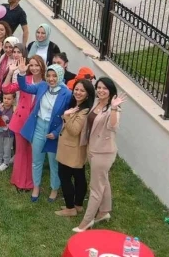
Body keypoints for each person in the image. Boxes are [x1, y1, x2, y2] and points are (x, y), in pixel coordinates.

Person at [73, 78, 126, 232]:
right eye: (99, 87)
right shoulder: (97, 102)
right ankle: (104, 212)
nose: (101, 90)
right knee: (104, 181)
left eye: (104, 88)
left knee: (96, 187)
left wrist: (115, 109)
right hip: (92, 148)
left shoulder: (113, 108)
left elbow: (113, 126)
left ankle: (87, 221)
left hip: (103, 152)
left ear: (111, 90)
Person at [17, 61, 72, 202]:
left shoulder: (67, 94)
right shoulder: (42, 86)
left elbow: (68, 117)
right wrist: (22, 73)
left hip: (54, 131)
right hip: (39, 127)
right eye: (49, 75)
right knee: (37, 160)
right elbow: (25, 87)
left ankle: (54, 188)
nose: (51, 79)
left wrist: (56, 132)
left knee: (53, 162)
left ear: (60, 76)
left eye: (54, 76)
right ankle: (36, 186)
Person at [2, 45, 41, 192]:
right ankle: (19, 181)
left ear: (42, 67)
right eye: (32, 65)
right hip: (21, 120)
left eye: (37, 65)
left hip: (36, 122)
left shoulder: (45, 83)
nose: (35, 68)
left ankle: (30, 182)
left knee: (32, 152)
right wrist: (11, 71)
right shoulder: (26, 79)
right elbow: (6, 89)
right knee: (21, 151)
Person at [56, 79, 95, 217]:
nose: (78, 92)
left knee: (65, 177)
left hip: (71, 150)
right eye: (76, 89)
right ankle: (78, 205)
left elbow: (74, 130)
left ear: (88, 94)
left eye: (82, 90)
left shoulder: (84, 112)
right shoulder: (78, 107)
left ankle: (70, 208)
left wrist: (66, 115)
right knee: (79, 177)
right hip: (73, 149)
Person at [0, 91, 16, 172]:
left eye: (9, 99)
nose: (6, 100)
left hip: (9, 134)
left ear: (13, 100)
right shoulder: (0, 106)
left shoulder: (14, 109)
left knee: (7, 148)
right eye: (4, 98)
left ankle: (6, 162)